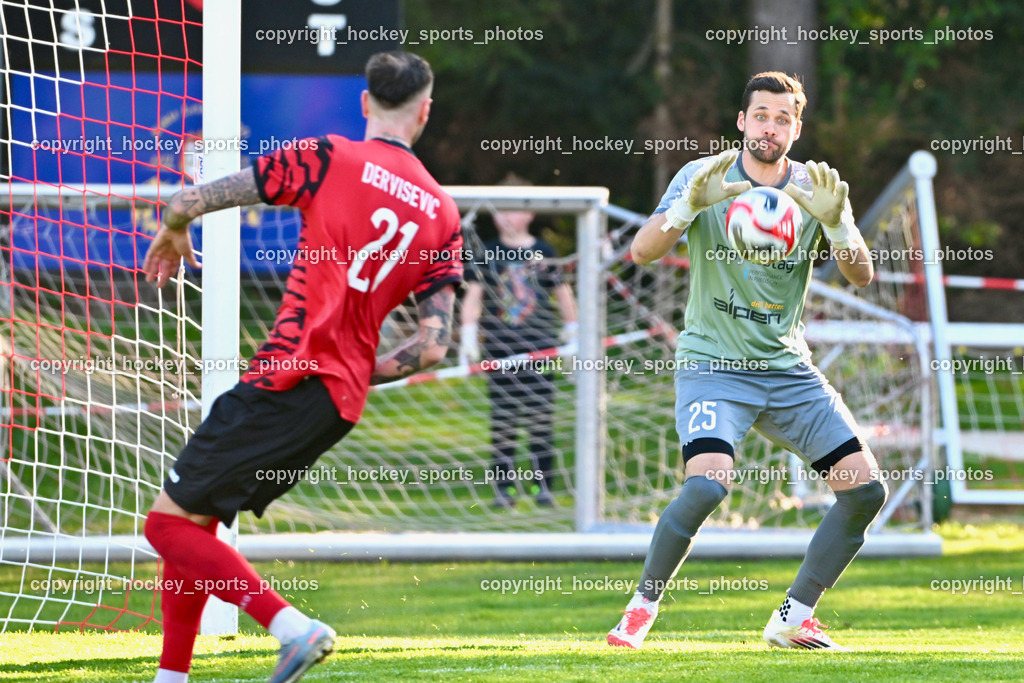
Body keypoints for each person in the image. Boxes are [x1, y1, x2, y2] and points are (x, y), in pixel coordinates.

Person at [141, 51, 462, 683]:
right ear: (425, 112)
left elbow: (195, 196)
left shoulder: (328, 156)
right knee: (196, 523)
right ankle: (170, 678)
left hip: (285, 377)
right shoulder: (442, 213)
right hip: (338, 401)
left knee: (164, 526)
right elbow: (431, 348)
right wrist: (353, 368)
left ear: (366, 103)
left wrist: (177, 224)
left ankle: (293, 628)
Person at [607, 71, 884, 651]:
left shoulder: (818, 189)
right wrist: (686, 207)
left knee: (865, 492)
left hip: (787, 368)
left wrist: (838, 222)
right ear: (742, 121)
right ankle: (641, 607)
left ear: (796, 128)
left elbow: (861, 276)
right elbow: (642, 252)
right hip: (714, 364)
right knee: (707, 487)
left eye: (783, 118)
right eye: (761, 115)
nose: (770, 127)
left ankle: (794, 615)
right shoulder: (702, 175)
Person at [459, 177, 578, 508]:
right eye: (500, 209)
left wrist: (573, 330)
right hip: (500, 351)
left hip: (540, 348)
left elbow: (563, 292)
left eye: (513, 208)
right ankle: (504, 490)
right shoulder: (487, 251)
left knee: (541, 421)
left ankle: (544, 488)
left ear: (529, 213)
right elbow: (474, 296)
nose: (505, 216)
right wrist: (467, 335)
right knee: (503, 423)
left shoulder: (545, 251)